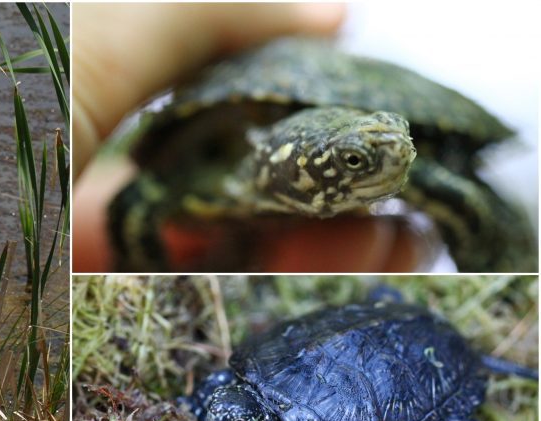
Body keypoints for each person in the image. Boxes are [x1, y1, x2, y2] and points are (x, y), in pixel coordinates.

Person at [72, 4, 426, 272]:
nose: (400, 157)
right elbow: (133, 200)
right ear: (286, 159)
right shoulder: (198, 160)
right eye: (353, 160)